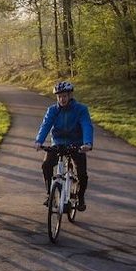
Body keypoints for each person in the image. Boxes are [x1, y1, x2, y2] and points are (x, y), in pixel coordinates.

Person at [33, 81, 94, 211]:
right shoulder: (52, 110)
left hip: (77, 144)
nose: (62, 99)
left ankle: (80, 197)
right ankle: (50, 194)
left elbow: (86, 125)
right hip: (58, 143)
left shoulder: (81, 109)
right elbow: (46, 125)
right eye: (59, 96)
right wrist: (39, 141)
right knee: (46, 165)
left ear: (70, 95)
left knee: (82, 173)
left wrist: (87, 143)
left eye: (64, 96)